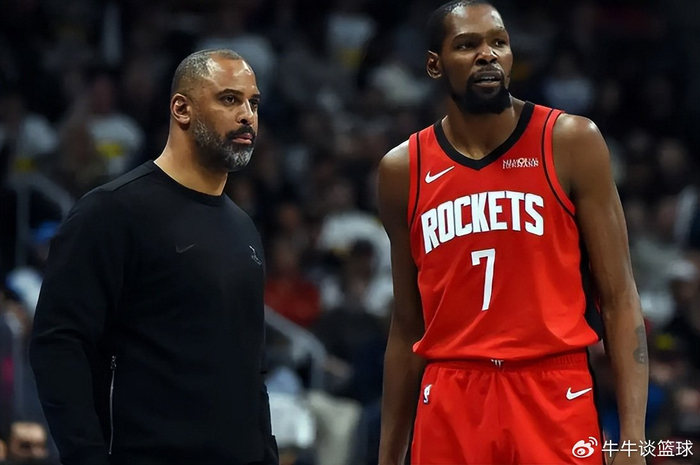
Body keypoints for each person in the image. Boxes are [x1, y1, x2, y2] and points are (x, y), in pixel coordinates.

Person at [377, 2, 648, 464]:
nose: (487, 54)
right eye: (467, 45)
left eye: (498, 42)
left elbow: (620, 298)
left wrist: (634, 441)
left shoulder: (571, 141)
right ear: (434, 65)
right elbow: (407, 326)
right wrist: (388, 456)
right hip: (451, 392)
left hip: (553, 388)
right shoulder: (403, 169)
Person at [29, 49, 278, 465]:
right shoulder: (112, 211)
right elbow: (58, 344)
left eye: (254, 103)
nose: (247, 116)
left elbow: (253, 370)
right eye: (229, 99)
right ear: (181, 109)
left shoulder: (243, 229)